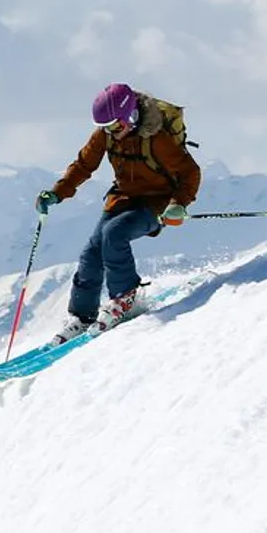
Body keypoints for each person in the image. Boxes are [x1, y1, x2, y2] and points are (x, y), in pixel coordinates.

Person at [36, 82, 203, 344]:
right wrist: (58, 192)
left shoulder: (157, 138)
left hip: (157, 202)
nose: (111, 132)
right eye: (105, 127)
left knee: (114, 235)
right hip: (124, 197)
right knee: (92, 251)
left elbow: (190, 172)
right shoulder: (107, 134)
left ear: (132, 116)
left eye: (115, 126)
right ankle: (82, 316)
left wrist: (179, 204)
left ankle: (126, 298)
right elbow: (84, 164)